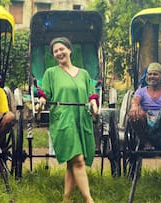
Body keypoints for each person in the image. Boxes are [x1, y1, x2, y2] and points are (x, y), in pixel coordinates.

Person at [37, 37, 97, 203]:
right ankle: (88, 199)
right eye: (55, 51)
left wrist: (93, 104)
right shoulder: (51, 73)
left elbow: (92, 94)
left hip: (81, 118)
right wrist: (41, 102)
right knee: (78, 159)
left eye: (61, 49)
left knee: (73, 162)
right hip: (63, 119)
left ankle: (66, 199)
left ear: (70, 50)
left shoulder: (84, 74)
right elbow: (44, 93)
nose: (59, 53)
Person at [128, 62, 161, 152]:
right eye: (150, 74)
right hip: (146, 119)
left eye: (155, 74)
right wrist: (134, 106)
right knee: (135, 113)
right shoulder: (141, 91)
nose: (152, 76)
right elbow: (135, 101)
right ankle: (146, 143)